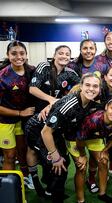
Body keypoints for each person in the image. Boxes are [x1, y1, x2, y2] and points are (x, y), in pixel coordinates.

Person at [39, 73, 101, 203]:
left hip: (59, 133)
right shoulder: (70, 104)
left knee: (64, 165)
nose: (91, 89)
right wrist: (55, 156)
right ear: (81, 86)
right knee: (57, 165)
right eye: (87, 85)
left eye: (95, 86)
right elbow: (45, 132)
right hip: (40, 131)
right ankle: (49, 193)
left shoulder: (93, 101)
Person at [28, 45, 79, 195]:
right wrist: (52, 100)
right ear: (54, 55)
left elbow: (81, 86)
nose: (64, 56)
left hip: (54, 119)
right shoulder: (44, 66)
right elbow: (32, 88)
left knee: (51, 154)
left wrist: (63, 99)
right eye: (61, 53)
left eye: (67, 54)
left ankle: (51, 186)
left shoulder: (69, 72)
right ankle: (36, 181)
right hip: (36, 117)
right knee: (34, 150)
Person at [76, 97, 112, 203]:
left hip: (95, 137)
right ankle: (81, 200)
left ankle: (102, 194)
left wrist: (105, 149)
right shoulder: (93, 120)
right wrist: (82, 155)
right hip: (76, 137)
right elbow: (80, 139)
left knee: (103, 160)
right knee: (81, 166)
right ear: (106, 107)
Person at [0, 41, 35, 189]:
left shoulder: (32, 71)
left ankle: (25, 179)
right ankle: (7, 185)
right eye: (14, 53)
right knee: (10, 155)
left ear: (26, 55)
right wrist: (20, 112)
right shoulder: (2, 76)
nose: (18, 57)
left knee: (22, 152)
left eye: (22, 53)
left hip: (24, 121)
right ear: (8, 55)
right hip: (6, 120)